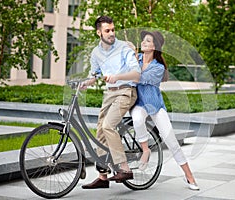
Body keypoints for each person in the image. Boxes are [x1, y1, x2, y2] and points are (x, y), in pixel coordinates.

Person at [130, 30, 200, 190]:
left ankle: (189, 177)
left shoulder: (158, 67)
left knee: (172, 142)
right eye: (143, 41)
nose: (143, 43)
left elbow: (139, 78)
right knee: (137, 119)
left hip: (155, 106)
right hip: (139, 104)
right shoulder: (137, 58)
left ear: (155, 47)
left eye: (148, 41)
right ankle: (145, 150)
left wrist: (133, 64)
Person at [81, 16, 141, 189]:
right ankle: (102, 176)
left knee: (108, 126)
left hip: (126, 92)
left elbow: (136, 74)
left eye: (113, 30)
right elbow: (93, 76)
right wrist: (85, 82)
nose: (111, 33)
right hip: (110, 94)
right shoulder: (96, 52)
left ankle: (125, 168)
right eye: (107, 30)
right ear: (99, 32)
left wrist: (118, 77)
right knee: (100, 131)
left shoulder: (124, 48)